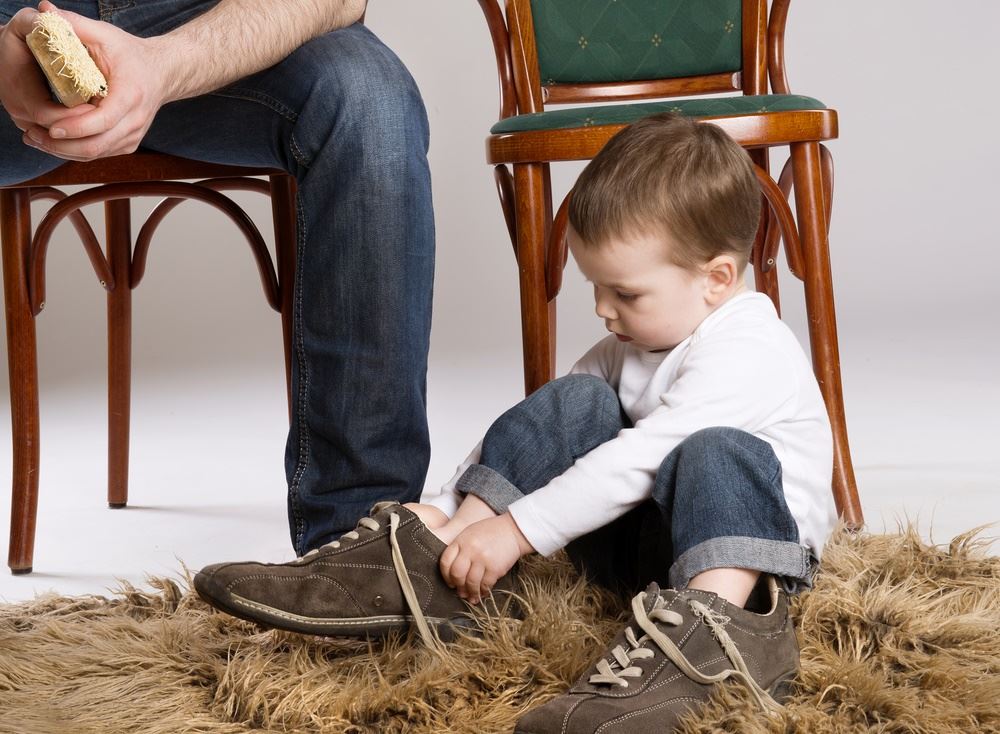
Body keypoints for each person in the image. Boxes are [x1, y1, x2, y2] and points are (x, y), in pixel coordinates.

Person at [194, 112, 838, 732]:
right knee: (575, 401)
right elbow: (542, 425)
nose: (602, 310)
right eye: (595, 287)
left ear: (716, 279)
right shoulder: (631, 345)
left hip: (744, 555)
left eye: (626, 294)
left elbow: (639, 459)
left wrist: (519, 531)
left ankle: (715, 632)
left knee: (715, 452)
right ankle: (438, 561)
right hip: (645, 547)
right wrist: (451, 512)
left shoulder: (749, 348)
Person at [0, 1, 435, 556]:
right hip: (16, 35)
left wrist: (161, 66)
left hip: (214, 28)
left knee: (370, 100)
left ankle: (363, 550)